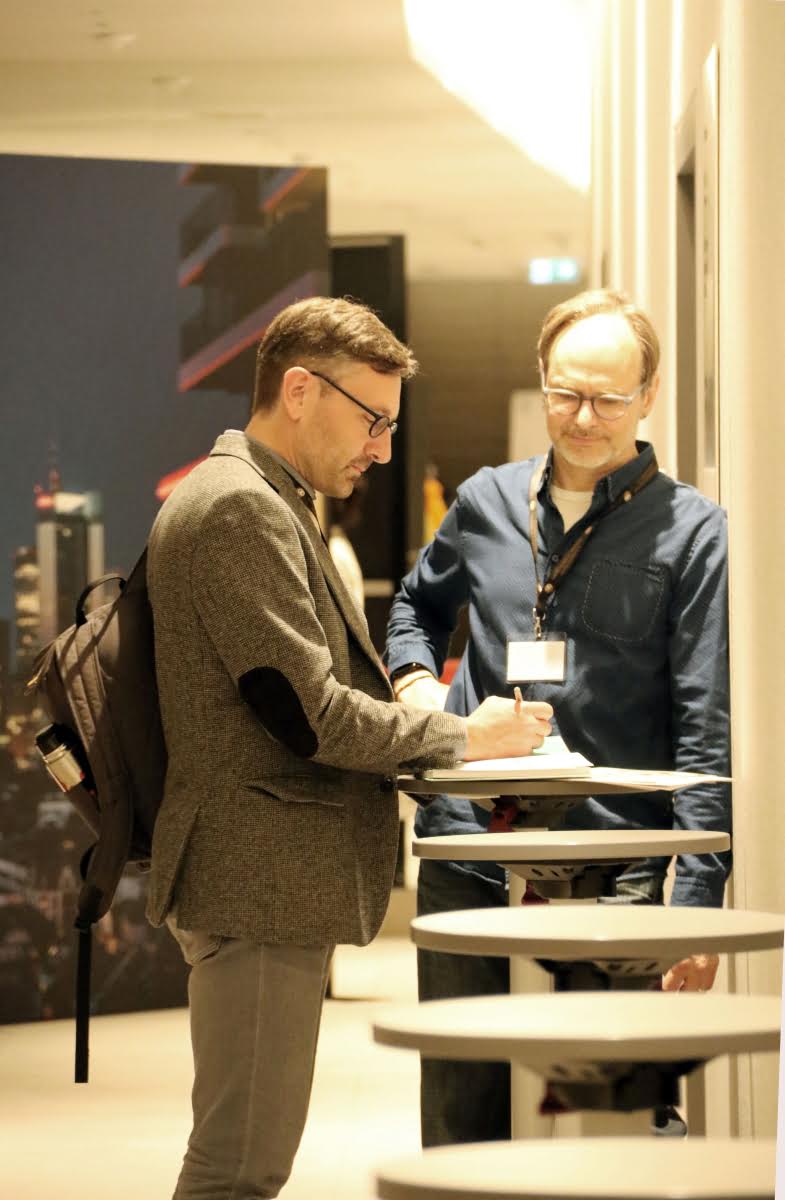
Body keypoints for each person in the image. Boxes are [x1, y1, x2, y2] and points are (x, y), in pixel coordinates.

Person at [145, 296, 553, 1199]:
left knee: (244, 1159)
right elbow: (313, 717)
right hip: (254, 882)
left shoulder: (263, 499)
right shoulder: (238, 508)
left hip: (265, 880)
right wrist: (465, 736)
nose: (380, 449)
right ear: (299, 391)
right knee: (238, 1167)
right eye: (373, 420)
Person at [385, 287, 731, 1146]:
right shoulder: (485, 501)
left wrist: (695, 900)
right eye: (565, 393)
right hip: (470, 846)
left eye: (607, 399)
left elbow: (704, 721)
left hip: (613, 860)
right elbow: (414, 609)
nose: (582, 418)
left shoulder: (692, 532)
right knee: (462, 1118)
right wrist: (415, 684)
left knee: (608, 1121)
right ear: (541, 379)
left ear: (648, 396)